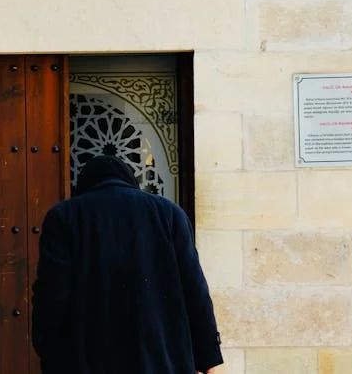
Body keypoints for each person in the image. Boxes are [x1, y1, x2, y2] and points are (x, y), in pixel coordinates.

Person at [31, 155, 223, 374]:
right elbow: (195, 291)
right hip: (162, 361)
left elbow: (53, 294)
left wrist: (48, 352)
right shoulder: (170, 214)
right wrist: (208, 358)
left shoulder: (64, 217)